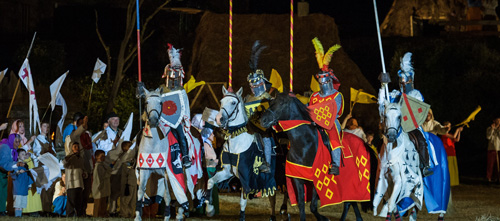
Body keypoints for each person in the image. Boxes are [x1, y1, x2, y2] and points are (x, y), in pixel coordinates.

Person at [309, 38, 343, 175]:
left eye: (324, 82)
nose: (322, 84)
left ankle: (335, 164)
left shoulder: (336, 95)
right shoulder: (314, 96)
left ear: (329, 81)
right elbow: (310, 110)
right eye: (320, 82)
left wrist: (321, 120)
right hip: (315, 124)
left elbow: (333, 113)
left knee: (334, 138)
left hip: (331, 124)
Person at [244, 40, 273, 173]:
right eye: (252, 83)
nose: (254, 85)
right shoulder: (247, 98)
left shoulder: (268, 97)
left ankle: (267, 163)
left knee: (266, 138)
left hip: (267, 129)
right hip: (251, 128)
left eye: (257, 82)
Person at [160, 43, 191, 168]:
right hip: (162, 119)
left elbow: (184, 107)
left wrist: (183, 118)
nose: (174, 80)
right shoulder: (162, 90)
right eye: (172, 77)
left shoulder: (181, 92)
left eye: (176, 77)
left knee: (181, 135)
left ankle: (185, 156)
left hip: (176, 120)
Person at [95, 112, 122, 215]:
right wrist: (113, 145)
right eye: (113, 119)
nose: (116, 121)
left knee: (116, 188)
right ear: (109, 121)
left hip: (118, 164)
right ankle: (102, 210)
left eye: (117, 119)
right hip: (107, 164)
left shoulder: (121, 133)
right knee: (106, 188)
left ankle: (113, 210)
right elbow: (100, 148)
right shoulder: (103, 134)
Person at [69, 115, 93, 215]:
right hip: (79, 169)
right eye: (82, 124)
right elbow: (77, 133)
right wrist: (83, 125)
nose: (85, 126)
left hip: (88, 167)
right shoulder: (74, 136)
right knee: (78, 192)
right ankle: (76, 211)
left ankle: (83, 211)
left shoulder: (87, 136)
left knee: (86, 193)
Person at [64, 142, 84, 217]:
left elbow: (82, 169)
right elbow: (64, 164)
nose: (77, 148)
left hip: (79, 182)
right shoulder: (69, 158)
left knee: (79, 201)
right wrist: (69, 157)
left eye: (78, 147)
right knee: (71, 201)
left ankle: (79, 215)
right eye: (75, 147)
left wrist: (84, 173)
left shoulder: (80, 158)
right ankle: (69, 215)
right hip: (72, 183)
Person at [11, 148, 34, 217]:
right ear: (18, 156)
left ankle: (19, 215)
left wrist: (29, 185)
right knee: (17, 202)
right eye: (22, 154)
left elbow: (28, 176)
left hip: (24, 188)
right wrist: (18, 172)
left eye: (25, 154)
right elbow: (12, 174)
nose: (24, 156)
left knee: (22, 203)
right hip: (18, 188)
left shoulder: (26, 166)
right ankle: (17, 215)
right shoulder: (15, 165)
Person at [0, 139, 19, 216]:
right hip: (1, 170)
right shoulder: (4, 147)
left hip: (4, 172)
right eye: (16, 142)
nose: (17, 144)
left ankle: (2, 209)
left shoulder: (13, 149)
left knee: (3, 192)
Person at [441, 122, 463, 186]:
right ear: (445, 126)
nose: (450, 127)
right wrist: (457, 130)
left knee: (453, 169)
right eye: (448, 126)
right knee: (448, 169)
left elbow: (457, 140)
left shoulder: (449, 134)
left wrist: (459, 132)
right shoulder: (444, 133)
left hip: (452, 153)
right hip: (447, 154)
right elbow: (453, 136)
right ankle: (447, 182)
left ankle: (452, 182)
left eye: (450, 126)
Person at [119, 141, 137, 218]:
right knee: (126, 199)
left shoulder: (133, 157)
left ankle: (131, 213)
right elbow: (127, 170)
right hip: (128, 182)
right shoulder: (125, 158)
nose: (131, 148)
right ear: (124, 148)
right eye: (129, 147)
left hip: (134, 181)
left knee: (133, 199)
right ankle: (124, 213)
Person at [92, 150, 111, 218]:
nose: (103, 158)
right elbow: (104, 176)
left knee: (103, 206)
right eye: (101, 156)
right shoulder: (98, 167)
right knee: (99, 207)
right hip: (100, 190)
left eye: (104, 156)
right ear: (96, 157)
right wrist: (110, 168)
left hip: (103, 189)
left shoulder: (102, 165)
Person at [486, 117, 500, 183]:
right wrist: (492, 129)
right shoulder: (489, 129)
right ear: (494, 120)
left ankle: (497, 178)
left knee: (498, 165)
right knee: (490, 164)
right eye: (497, 120)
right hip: (491, 148)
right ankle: (489, 178)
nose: (499, 121)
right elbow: (488, 137)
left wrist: (498, 130)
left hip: (498, 148)